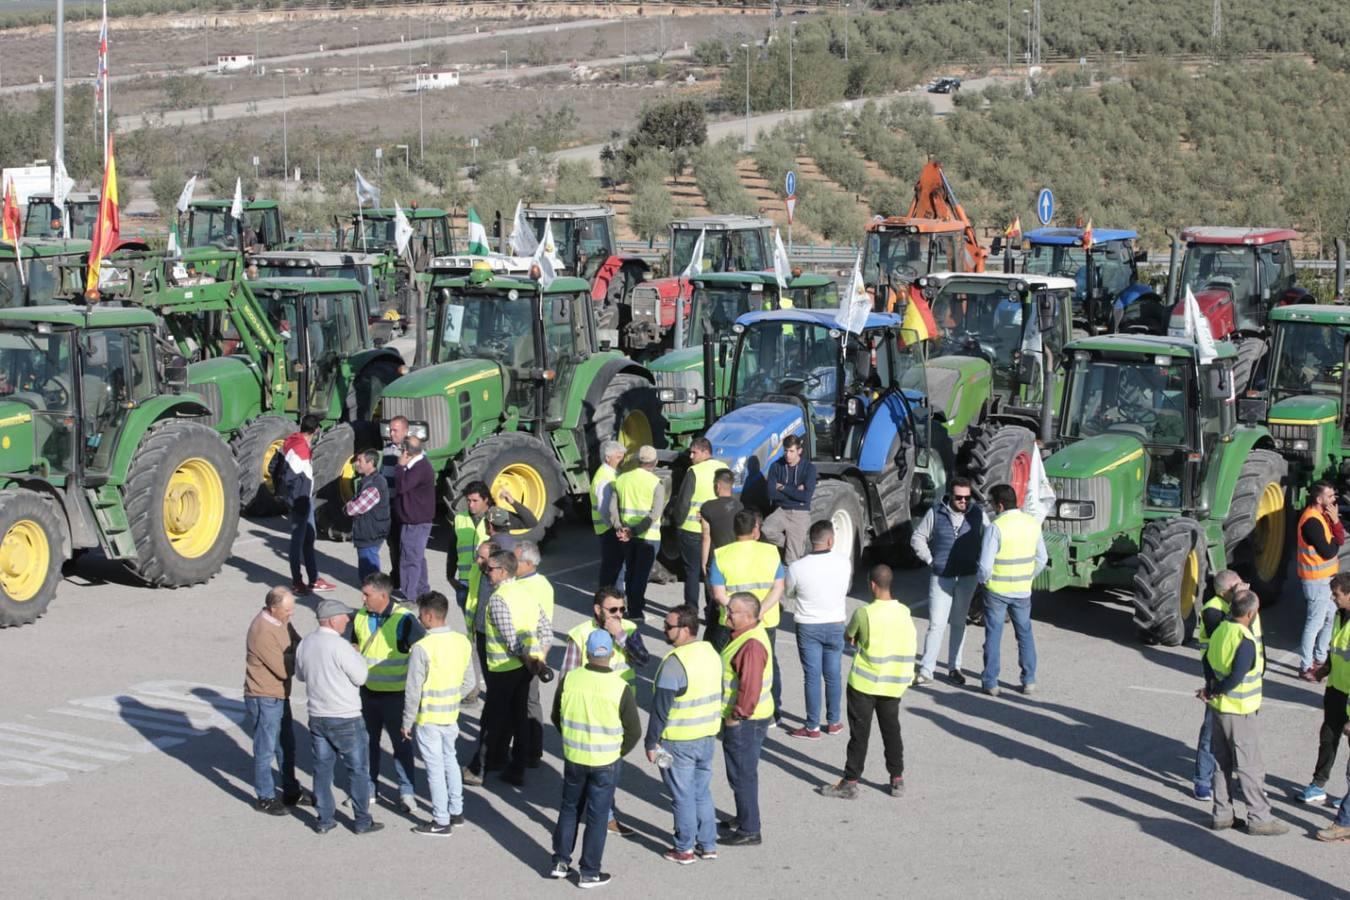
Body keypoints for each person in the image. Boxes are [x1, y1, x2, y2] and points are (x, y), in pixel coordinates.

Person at [548, 631, 641, 887]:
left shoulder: (570, 679)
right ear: (611, 654)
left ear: (587, 653)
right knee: (598, 816)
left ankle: (560, 861)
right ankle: (589, 872)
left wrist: (571, 739)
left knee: (569, 809)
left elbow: (556, 716)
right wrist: (617, 752)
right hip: (606, 762)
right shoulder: (619, 686)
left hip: (575, 757)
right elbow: (634, 731)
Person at [562, 586, 652, 838]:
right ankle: (603, 817)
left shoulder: (628, 630)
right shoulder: (581, 634)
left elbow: (644, 660)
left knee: (609, 770)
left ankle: (603, 813)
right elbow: (566, 680)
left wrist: (620, 635)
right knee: (597, 771)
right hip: (588, 714)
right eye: (613, 610)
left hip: (617, 715)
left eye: (622, 609)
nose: (618, 615)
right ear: (598, 610)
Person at [820, 565, 915, 800]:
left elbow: (849, 635)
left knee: (859, 734)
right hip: (893, 684)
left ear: (872, 585)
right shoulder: (904, 611)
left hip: (865, 683)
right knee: (891, 730)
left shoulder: (865, 613)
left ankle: (850, 781)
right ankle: (897, 778)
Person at [1200, 590, 1288, 835]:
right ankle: (1259, 818)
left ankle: (1222, 815)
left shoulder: (1221, 631)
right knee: (1250, 767)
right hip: (1239, 711)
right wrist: (1217, 690)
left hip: (1218, 710)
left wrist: (1210, 689)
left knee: (1221, 763)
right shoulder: (1245, 639)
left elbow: (1207, 661)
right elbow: (1237, 677)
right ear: (1251, 613)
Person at [295, 598, 382, 835]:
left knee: (322, 770)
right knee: (358, 770)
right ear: (333, 620)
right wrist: (358, 655)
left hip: (317, 716)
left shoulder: (306, 643)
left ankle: (324, 820)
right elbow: (361, 677)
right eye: (344, 616)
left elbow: (300, 675)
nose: (347, 620)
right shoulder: (341, 647)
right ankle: (362, 821)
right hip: (346, 718)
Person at [646, 605, 723, 864]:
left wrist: (651, 742)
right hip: (707, 737)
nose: (664, 630)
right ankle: (708, 844)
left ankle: (684, 848)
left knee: (682, 796)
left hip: (678, 741)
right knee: (701, 792)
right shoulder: (709, 652)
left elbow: (660, 710)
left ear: (686, 630)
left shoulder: (674, 664)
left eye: (669, 626)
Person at [401, 591, 476, 836]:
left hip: (428, 717)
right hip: (450, 715)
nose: (420, 620)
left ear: (429, 616)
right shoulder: (461, 641)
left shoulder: (422, 647)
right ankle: (457, 811)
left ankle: (440, 820)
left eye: (421, 615)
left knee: (434, 769)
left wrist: (407, 721)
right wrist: (452, 696)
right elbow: (469, 682)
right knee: (450, 761)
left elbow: (413, 690)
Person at [352, 572, 424, 813]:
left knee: (401, 745)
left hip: (396, 695)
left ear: (383, 595)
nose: (363, 599)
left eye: (367, 595)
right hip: (367, 693)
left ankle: (406, 791)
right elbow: (354, 643)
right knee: (367, 743)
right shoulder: (361, 615)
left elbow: (422, 652)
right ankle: (370, 788)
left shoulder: (404, 620)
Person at [483, 549, 553, 786]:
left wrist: (529, 660)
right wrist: (539, 658)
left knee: (499, 717)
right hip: (527, 667)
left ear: (502, 572)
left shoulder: (499, 598)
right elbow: (546, 630)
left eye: (490, 569)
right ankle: (518, 764)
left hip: (505, 668)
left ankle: (492, 762)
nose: (486, 572)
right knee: (520, 716)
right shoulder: (526, 593)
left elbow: (511, 640)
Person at [710, 510, 786, 725]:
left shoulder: (721, 554)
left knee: (728, 666)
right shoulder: (771, 552)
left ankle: (726, 706)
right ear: (756, 530)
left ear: (735, 530)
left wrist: (737, 612)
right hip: (765, 620)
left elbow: (718, 594)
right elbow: (778, 588)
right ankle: (773, 711)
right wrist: (757, 612)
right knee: (769, 664)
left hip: (732, 622)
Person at [910, 476, 984, 685]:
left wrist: (982, 563)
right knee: (936, 624)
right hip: (941, 577)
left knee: (960, 623)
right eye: (959, 497)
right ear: (950, 495)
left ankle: (955, 667)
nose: (963, 501)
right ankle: (927, 670)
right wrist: (930, 560)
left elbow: (990, 536)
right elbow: (918, 537)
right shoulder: (936, 512)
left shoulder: (978, 514)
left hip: (968, 576)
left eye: (967, 497)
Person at [243, 586, 308, 815]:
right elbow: (282, 669)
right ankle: (265, 796)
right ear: (273, 608)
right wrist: (301, 659)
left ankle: (291, 790)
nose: (291, 614)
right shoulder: (262, 632)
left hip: (280, 695)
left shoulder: (281, 621)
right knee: (265, 748)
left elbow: (299, 644)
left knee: (286, 746)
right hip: (264, 697)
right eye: (287, 610)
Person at [977, 483, 1046, 696]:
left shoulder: (996, 528)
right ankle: (1029, 680)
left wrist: (983, 582)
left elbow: (985, 566)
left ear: (999, 505)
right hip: (1022, 591)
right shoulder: (1032, 524)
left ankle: (991, 682)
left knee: (994, 635)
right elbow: (1042, 558)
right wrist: (1027, 576)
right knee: (1024, 634)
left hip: (996, 590)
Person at [784, 520, 850, 740]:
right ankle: (834, 722)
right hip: (835, 623)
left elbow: (790, 592)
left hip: (808, 624)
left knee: (812, 676)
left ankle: (812, 725)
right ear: (830, 540)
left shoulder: (797, 567)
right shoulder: (844, 563)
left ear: (810, 540)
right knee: (833, 674)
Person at [719, 592, 774, 846]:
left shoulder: (750, 645)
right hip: (751, 719)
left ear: (749, 615)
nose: (727, 614)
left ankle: (749, 829)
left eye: (732, 611)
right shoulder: (747, 635)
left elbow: (749, 688)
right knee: (743, 772)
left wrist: (735, 716)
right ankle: (743, 816)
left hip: (745, 721)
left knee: (742, 774)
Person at [1193, 570, 1252, 801]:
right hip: (1216, 677)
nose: (1243, 587)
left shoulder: (1234, 605)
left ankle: (1231, 779)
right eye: (1237, 586)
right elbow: (1225, 635)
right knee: (1211, 731)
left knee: (1236, 735)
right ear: (1226, 591)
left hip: (1235, 680)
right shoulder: (1213, 610)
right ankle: (1202, 781)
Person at [1299, 571, 1350, 808]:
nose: (1333, 598)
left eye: (1337, 594)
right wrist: (1322, 671)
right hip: (1335, 691)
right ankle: (1318, 785)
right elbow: (1336, 651)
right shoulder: (1341, 615)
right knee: (1328, 739)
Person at [280, 414, 336, 595]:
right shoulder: (301, 450)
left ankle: (314, 579)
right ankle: (297, 581)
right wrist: (298, 501)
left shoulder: (292, 441)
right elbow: (295, 479)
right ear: (315, 430)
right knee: (297, 543)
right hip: (301, 501)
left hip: (303, 499)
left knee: (309, 539)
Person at [610, 444, 665, 621]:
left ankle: (628, 606)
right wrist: (634, 531)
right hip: (647, 537)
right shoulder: (656, 484)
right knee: (641, 576)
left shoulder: (622, 479)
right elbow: (655, 514)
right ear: (655, 462)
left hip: (625, 535)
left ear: (638, 460)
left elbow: (613, 508)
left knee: (630, 572)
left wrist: (619, 527)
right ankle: (635, 611)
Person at [1297, 481, 1344, 681]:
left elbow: (1339, 540)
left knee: (1330, 618)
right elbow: (1329, 550)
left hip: (1327, 579)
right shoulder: (1311, 521)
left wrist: (1335, 522)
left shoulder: (1323, 516)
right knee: (1314, 622)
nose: (1334, 500)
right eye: (1330, 496)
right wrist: (1335, 527)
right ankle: (1306, 666)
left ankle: (1320, 657)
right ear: (1319, 499)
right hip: (1316, 581)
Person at [516, 540, 555, 769]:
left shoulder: (540, 586)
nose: (512, 563)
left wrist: (538, 656)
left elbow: (543, 625)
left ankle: (532, 751)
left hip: (530, 654)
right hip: (519, 651)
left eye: (516, 560)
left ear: (529, 563)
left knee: (530, 701)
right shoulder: (520, 581)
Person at [672, 438, 724, 608]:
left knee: (692, 573)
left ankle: (691, 609)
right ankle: (712, 610)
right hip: (715, 530)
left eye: (694, 452)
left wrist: (677, 523)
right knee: (711, 572)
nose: (691, 456)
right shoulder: (723, 468)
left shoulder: (693, 471)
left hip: (691, 530)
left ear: (705, 452)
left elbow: (683, 502)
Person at [761, 435, 817, 564]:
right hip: (781, 510)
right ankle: (793, 545)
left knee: (791, 560)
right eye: (785, 451)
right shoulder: (776, 466)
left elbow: (806, 497)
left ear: (799, 451)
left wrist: (783, 487)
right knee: (765, 530)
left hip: (800, 513)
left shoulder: (809, 468)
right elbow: (771, 494)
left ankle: (794, 549)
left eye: (791, 451)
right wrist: (796, 490)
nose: (788, 455)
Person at [699, 468, 742, 637]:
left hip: (715, 559)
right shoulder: (739, 506)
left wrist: (703, 563)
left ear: (717, 486)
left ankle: (714, 631)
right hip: (734, 559)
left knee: (714, 600)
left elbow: (706, 537)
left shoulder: (707, 507)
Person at [395, 434, 436, 602]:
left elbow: (402, 486)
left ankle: (409, 595)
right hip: (416, 520)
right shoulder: (420, 465)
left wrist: (399, 467)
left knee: (409, 558)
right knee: (417, 556)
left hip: (415, 522)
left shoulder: (419, 468)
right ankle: (422, 590)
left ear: (406, 452)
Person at [345, 449, 390, 582]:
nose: (356, 464)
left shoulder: (374, 485)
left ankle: (374, 594)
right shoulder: (368, 480)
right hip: (369, 532)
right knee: (366, 570)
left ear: (371, 463)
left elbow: (354, 509)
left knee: (370, 573)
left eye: (360, 461)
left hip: (370, 534)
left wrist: (347, 506)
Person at [450, 481, 491, 608]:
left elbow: (530, 522)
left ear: (485, 500)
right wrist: (450, 577)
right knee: (468, 623)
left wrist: (513, 503)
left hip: (485, 579)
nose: (470, 505)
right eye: (468, 500)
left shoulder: (494, 519)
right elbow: (453, 550)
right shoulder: (459, 519)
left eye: (475, 500)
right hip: (464, 580)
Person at [592, 440, 627, 589]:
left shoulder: (610, 473)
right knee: (611, 569)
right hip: (607, 530)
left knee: (613, 567)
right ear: (608, 458)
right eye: (618, 457)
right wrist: (615, 527)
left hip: (607, 528)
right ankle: (607, 599)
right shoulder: (605, 477)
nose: (622, 460)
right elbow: (604, 508)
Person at [382, 415, 409, 591]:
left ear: (406, 431)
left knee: (405, 544)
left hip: (404, 505)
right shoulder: (387, 450)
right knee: (392, 543)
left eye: (395, 430)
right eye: (390, 430)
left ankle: (407, 580)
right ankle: (396, 576)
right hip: (389, 504)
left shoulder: (412, 452)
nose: (391, 433)